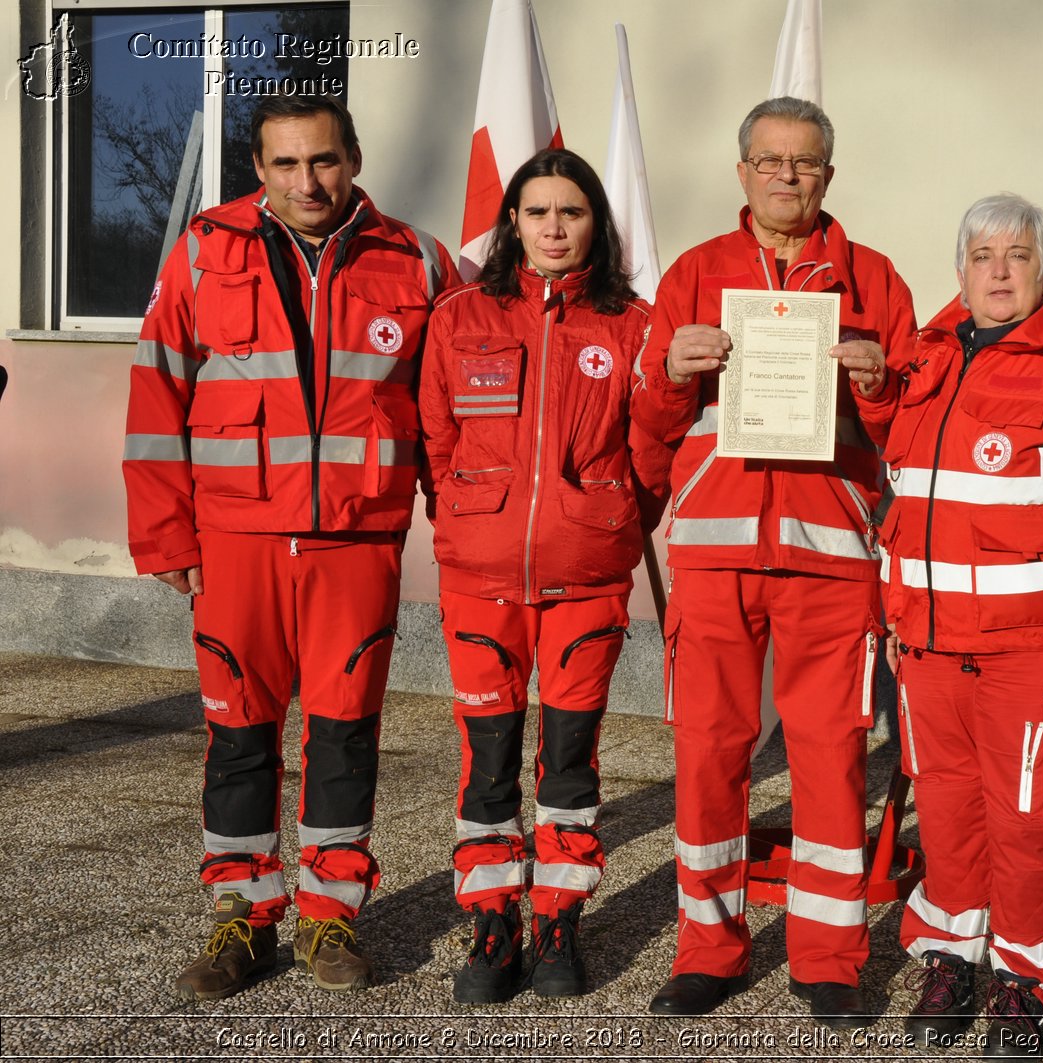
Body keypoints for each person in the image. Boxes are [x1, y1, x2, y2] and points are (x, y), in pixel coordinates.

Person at [123, 95, 459, 1001]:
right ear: (258, 169)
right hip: (237, 539)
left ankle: (329, 914)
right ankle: (243, 917)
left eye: (324, 161)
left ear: (353, 158)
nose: (307, 182)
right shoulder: (201, 250)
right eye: (285, 164)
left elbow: (455, 409)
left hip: (358, 540)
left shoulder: (420, 261)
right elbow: (157, 393)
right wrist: (164, 531)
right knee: (238, 733)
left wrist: (463, 531)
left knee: (346, 733)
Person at [629, 96, 916, 1028]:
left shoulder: (873, 279)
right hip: (715, 558)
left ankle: (828, 954)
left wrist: (879, 388)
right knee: (709, 757)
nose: (787, 176)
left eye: (805, 163)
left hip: (831, 560)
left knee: (832, 758)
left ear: (829, 174)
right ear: (742, 170)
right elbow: (649, 423)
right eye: (770, 160)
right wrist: (671, 370)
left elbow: (909, 435)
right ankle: (708, 947)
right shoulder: (694, 273)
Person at [871, 194, 1043, 1058]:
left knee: (1027, 826)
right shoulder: (922, 365)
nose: (998, 269)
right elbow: (902, 499)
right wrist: (893, 612)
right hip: (927, 646)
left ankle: (1025, 979)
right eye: (982, 254)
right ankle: (953, 957)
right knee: (948, 816)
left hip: (1039, 650)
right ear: (959, 270)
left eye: (1018, 254)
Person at [418, 148, 666, 1004]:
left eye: (572, 212)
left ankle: (560, 913)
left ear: (596, 222)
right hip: (480, 578)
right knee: (487, 759)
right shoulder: (459, 316)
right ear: (512, 222)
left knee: (569, 759)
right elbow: (435, 439)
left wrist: (613, 526)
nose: (554, 228)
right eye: (537, 212)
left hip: (588, 577)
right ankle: (493, 917)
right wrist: (461, 517)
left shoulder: (631, 323)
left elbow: (651, 455)